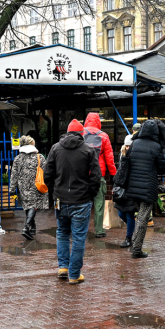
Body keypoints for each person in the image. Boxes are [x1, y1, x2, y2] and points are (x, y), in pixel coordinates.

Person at [44, 119, 102, 284]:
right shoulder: (88, 150)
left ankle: (63, 266)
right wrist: (90, 194)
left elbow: (47, 174)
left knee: (62, 232)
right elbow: (96, 176)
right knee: (78, 237)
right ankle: (74, 274)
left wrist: (54, 192)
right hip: (81, 200)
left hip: (60, 199)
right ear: (81, 134)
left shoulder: (55, 148)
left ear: (68, 132)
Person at [115, 120, 165, 258]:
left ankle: (134, 244)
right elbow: (162, 168)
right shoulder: (156, 146)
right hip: (148, 187)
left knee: (140, 217)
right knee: (143, 219)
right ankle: (136, 249)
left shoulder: (134, 144)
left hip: (133, 187)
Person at [82, 113, 117, 238]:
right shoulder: (103, 136)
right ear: (98, 122)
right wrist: (113, 174)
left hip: (83, 175)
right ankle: (99, 230)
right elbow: (109, 158)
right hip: (99, 175)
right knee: (99, 203)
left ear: (86, 121)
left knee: (83, 203)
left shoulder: (81, 134)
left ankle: (82, 229)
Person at [8, 135, 46, 240]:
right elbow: (46, 171)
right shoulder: (40, 157)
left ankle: (32, 227)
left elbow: (14, 175)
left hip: (22, 185)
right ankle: (26, 227)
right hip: (36, 184)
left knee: (27, 205)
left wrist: (12, 189)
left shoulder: (18, 158)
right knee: (33, 205)